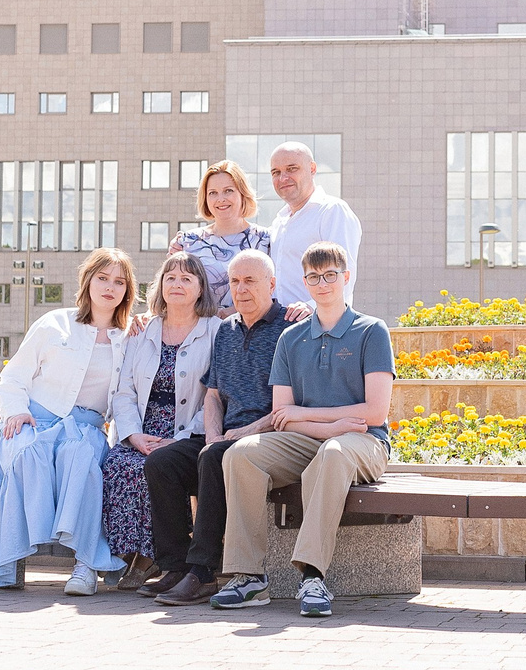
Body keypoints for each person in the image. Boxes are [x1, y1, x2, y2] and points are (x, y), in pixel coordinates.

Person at [214, 241, 392, 618]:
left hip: (363, 443)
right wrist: (334, 424)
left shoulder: (371, 331)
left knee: (334, 452)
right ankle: (249, 578)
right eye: (313, 277)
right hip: (313, 438)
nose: (322, 283)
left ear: (345, 277)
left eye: (330, 275)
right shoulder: (291, 338)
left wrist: (327, 425)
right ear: (305, 282)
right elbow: (282, 413)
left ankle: (312, 576)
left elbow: (374, 413)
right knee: (241, 455)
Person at [0, 248, 138, 594]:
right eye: (102, 278)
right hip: (35, 421)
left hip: (85, 429)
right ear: (87, 280)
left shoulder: (130, 337)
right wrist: (15, 411)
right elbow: (14, 377)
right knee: (27, 454)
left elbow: (127, 396)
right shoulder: (54, 323)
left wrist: (130, 436)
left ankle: (85, 567)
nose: (110, 287)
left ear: (127, 290)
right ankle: (8, 563)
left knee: (83, 460)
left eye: (119, 282)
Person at [147, 248, 292, 606]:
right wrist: (213, 434)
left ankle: (203, 572)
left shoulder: (290, 330)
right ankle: (176, 566)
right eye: (234, 282)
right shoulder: (226, 330)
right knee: (162, 463)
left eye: (250, 281)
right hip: (223, 439)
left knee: (214, 458)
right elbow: (212, 394)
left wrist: (241, 434)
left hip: (268, 440)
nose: (240, 289)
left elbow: (290, 406)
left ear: (272, 284)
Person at [102, 252, 222, 591]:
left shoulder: (216, 330)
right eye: (171, 278)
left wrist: (183, 437)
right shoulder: (142, 329)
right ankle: (135, 558)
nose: (177, 284)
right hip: (143, 430)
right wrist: (133, 435)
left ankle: (159, 560)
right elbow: (123, 391)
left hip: (190, 431)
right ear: (161, 286)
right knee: (119, 465)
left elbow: (216, 396)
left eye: (187, 278)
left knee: (161, 464)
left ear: (201, 288)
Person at [265, 142, 364, 308]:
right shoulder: (278, 223)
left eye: (291, 169)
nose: (283, 178)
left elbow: (345, 273)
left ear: (312, 169)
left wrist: (311, 307)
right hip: (282, 325)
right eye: (276, 172)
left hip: (321, 324)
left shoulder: (331, 211)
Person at [171, 161, 274, 312]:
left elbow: (274, 291)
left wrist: (232, 313)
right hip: (199, 331)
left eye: (228, 191)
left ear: (242, 193)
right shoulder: (188, 242)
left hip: (251, 330)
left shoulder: (265, 240)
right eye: (213, 193)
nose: (220, 199)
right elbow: (171, 291)